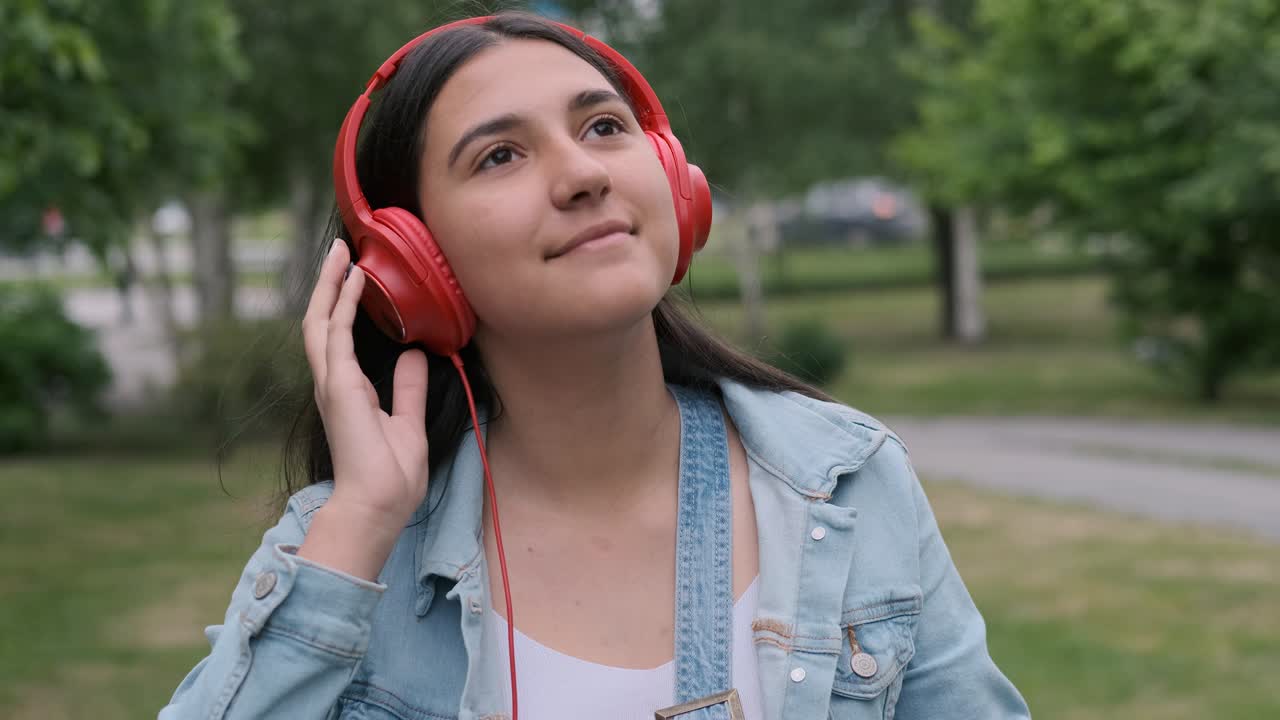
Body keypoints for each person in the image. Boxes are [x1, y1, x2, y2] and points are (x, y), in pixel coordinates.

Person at [160, 11, 1030, 720]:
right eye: (500, 154)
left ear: (675, 187)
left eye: (604, 126)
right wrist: (360, 526)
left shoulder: (847, 482)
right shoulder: (349, 544)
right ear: (412, 264)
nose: (581, 174)